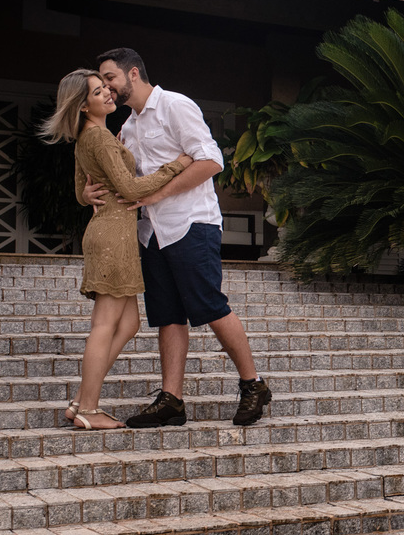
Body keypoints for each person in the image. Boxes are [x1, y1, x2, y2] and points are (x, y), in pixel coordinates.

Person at [83, 47, 271, 427]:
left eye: (110, 78)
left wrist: (157, 194)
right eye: (102, 82)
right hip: (150, 232)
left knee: (210, 305)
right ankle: (172, 400)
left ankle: (253, 385)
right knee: (168, 314)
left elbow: (210, 160)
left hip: (190, 223)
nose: (107, 87)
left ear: (133, 74)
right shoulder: (130, 126)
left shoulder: (175, 105)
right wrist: (85, 194)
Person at [41, 69, 193, 430]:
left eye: (106, 87)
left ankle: (82, 398)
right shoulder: (101, 139)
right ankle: (89, 410)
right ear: (82, 106)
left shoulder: (90, 137)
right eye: (98, 92)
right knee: (106, 324)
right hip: (111, 236)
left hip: (113, 234)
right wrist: (179, 164)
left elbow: (83, 187)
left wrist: (85, 195)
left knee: (129, 323)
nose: (109, 93)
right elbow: (130, 186)